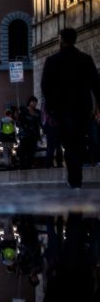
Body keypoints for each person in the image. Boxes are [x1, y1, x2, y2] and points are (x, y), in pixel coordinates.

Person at [41, 28, 100, 188]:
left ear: (61, 40)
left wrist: (50, 109)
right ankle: (76, 178)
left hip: (61, 110)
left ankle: (73, 180)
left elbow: (45, 87)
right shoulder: (85, 59)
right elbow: (96, 84)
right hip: (82, 108)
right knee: (79, 143)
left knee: (69, 144)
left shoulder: (52, 60)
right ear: (75, 40)